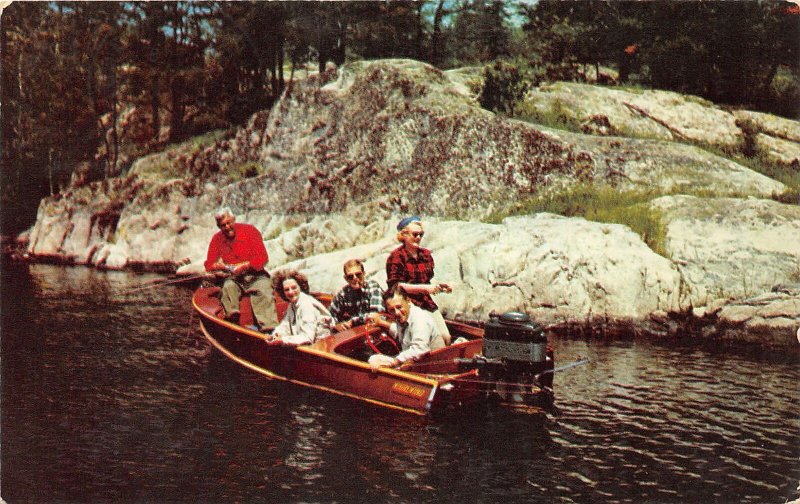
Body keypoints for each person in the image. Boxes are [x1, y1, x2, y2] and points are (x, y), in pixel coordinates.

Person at [205, 207, 277, 331]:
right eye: (223, 225)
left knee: (264, 291)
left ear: (234, 219)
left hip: (256, 275)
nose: (227, 227)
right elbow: (208, 264)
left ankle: (269, 329)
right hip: (234, 279)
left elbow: (263, 258)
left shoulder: (250, 231)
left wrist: (245, 266)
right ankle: (232, 323)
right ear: (218, 226)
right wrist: (218, 267)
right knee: (228, 287)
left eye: (229, 223)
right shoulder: (217, 238)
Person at [385, 216, 452, 344]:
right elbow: (395, 286)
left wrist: (440, 287)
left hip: (426, 301)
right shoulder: (396, 257)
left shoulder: (426, 255)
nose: (418, 238)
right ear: (403, 235)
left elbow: (426, 281)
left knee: (446, 337)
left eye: (421, 235)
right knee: (428, 340)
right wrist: (425, 289)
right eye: (415, 234)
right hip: (407, 303)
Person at [367, 287, 445, 371]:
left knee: (375, 361)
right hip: (414, 362)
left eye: (399, 307)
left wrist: (394, 362)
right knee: (374, 359)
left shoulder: (419, 319)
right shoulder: (405, 315)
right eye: (392, 310)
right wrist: (381, 323)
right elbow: (403, 334)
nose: (396, 312)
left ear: (408, 300)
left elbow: (420, 348)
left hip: (431, 368)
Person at [266, 269, 333, 346]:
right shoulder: (292, 305)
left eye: (294, 288)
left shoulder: (306, 305)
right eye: (286, 289)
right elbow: (284, 326)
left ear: (300, 287)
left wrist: (283, 340)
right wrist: (275, 336)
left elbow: (308, 337)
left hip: (320, 348)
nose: (291, 292)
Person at [328, 259, 384, 332]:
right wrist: (336, 326)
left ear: (364, 274)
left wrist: (353, 321)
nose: (355, 278)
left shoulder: (373, 287)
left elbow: (376, 316)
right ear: (346, 279)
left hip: (376, 331)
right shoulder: (343, 294)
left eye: (358, 275)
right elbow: (329, 316)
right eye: (350, 277)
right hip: (356, 333)